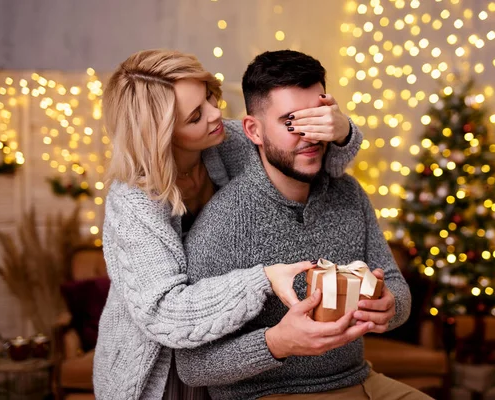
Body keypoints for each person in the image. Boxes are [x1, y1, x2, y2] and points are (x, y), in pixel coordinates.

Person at [93, 49, 370, 400]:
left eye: (209, 97)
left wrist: (343, 132)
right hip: (160, 369)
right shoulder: (133, 202)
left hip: (229, 358)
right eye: (196, 115)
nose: (216, 114)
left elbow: (318, 170)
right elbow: (164, 311)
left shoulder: (232, 140)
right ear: (161, 134)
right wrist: (262, 279)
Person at [176, 50, 431, 400]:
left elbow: (395, 285)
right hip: (267, 393)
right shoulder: (224, 223)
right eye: (292, 122)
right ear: (254, 130)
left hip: (360, 380)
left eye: (318, 118)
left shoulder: (350, 195)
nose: (310, 135)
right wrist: (277, 344)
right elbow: (193, 368)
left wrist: (390, 306)